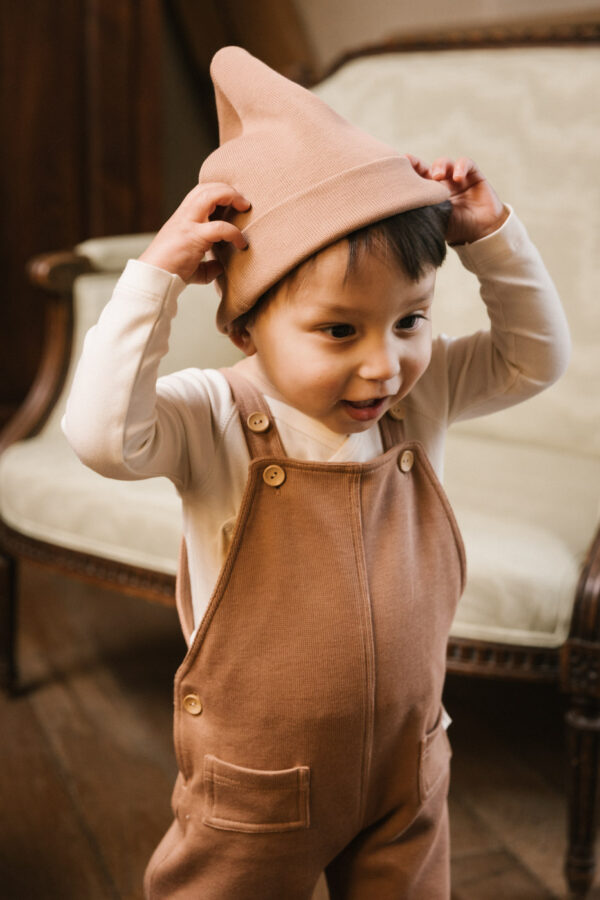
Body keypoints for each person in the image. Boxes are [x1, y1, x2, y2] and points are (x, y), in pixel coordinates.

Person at [63, 46, 570, 900]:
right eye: (339, 331)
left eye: (410, 318)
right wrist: (154, 280)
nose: (384, 366)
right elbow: (101, 437)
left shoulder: (424, 394)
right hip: (259, 786)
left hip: (408, 767)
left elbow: (535, 361)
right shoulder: (210, 416)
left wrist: (492, 237)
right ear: (245, 326)